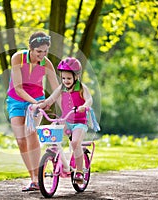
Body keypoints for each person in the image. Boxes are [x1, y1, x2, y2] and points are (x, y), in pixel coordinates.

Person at [6, 31, 59, 191]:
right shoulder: (17, 58)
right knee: (21, 141)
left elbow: (57, 88)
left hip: (37, 100)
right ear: (31, 48)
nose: (42, 55)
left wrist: (50, 102)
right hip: (16, 100)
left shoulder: (47, 63)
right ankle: (33, 178)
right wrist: (36, 103)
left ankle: (37, 179)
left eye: (45, 51)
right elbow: (19, 88)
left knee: (30, 134)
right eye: (39, 52)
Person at [32, 57, 93, 184]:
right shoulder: (61, 88)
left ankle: (80, 172)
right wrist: (39, 106)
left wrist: (84, 106)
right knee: (53, 130)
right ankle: (55, 157)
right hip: (66, 120)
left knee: (75, 142)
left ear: (76, 76)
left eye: (69, 78)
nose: (66, 81)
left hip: (79, 122)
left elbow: (89, 100)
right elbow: (50, 100)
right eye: (63, 78)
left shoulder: (82, 88)